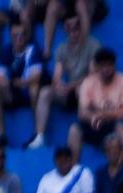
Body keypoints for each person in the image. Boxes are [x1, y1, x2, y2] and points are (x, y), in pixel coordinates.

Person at [36, 14, 101, 144]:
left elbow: (92, 77)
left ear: (81, 28)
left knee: (81, 89)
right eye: (69, 28)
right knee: (45, 92)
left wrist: (70, 86)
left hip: (90, 90)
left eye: (76, 28)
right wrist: (59, 85)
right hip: (70, 89)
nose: (73, 32)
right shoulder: (62, 48)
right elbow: (57, 74)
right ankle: (39, 136)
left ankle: (88, 130)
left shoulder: (93, 45)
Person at [69, 47, 123, 160]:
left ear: (114, 65)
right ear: (97, 67)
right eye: (102, 66)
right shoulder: (88, 82)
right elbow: (82, 112)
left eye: (109, 65)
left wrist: (103, 115)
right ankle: (74, 167)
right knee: (74, 130)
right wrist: (93, 117)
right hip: (99, 124)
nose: (106, 69)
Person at [0, 21, 46, 149]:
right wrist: (11, 83)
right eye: (15, 35)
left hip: (28, 93)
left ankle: (36, 133)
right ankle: (2, 136)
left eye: (22, 35)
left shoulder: (34, 50)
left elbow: (35, 78)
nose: (19, 38)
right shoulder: (7, 51)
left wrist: (14, 82)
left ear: (26, 36)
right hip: (12, 93)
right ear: (10, 36)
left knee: (34, 89)